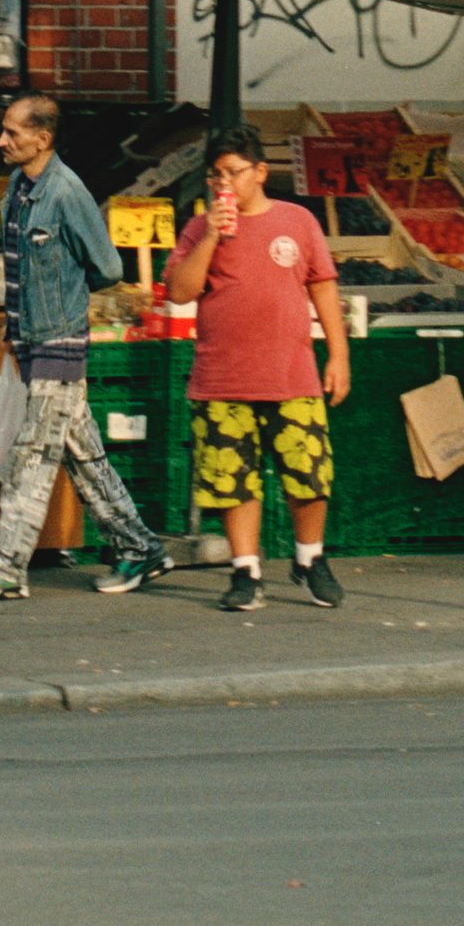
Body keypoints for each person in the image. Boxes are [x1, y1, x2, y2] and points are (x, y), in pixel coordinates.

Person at [0, 90, 165, 605]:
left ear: (42, 139)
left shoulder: (67, 192)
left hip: (59, 341)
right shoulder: (17, 189)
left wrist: (64, 295)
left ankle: (5, 564)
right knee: (81, 452)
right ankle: (139, 546)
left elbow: (109, 268)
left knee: (33, 455)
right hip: (30, 341)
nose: (2, 141)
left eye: (13, 133)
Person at [178, 129, 349, 613]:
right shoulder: (198, 229)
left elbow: (324, 287)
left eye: (234, 172)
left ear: (260, 172)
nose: (224, 183)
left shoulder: (297, 220)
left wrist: (338, 355)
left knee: (309, 472)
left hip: (292, 373)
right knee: (233, 477)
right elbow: (181, 291)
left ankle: (309, 559)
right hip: (223, 377)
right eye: (216, 174)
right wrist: (212, 233)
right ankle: (245, 570)